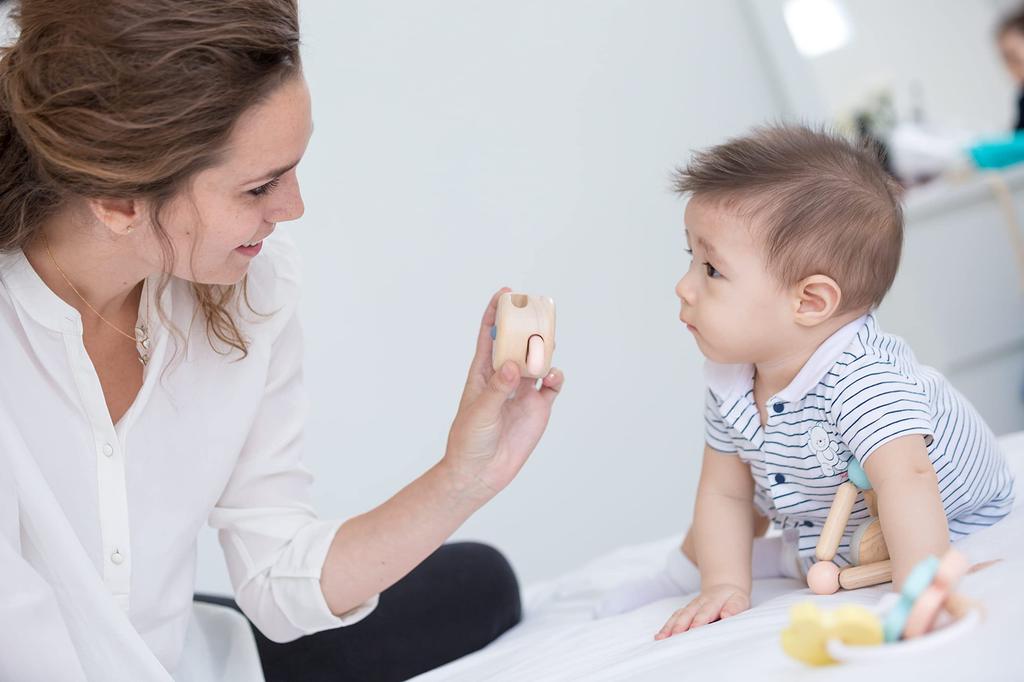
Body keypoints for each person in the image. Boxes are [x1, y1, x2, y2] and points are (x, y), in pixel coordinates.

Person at [0, 1, 564, 680]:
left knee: (479, 586)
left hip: (171, 651)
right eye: (260, 186)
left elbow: (274, 580)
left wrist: (464, 477)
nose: (293, 207)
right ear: (119, 199)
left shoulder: (253, 283)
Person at [595, 125, 1015, 639]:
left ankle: (698, 568)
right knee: (725, 539)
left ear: (810, 302)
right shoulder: (731, 379)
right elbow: (726, 495)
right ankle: (680, 574)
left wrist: (917, 589)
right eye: (690, 258)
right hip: (824, 523)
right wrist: (723, 585)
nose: (683, 287)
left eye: (712, 270)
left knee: (830, 542)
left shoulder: (863, 379)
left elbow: (907, 481)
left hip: (941, 519)